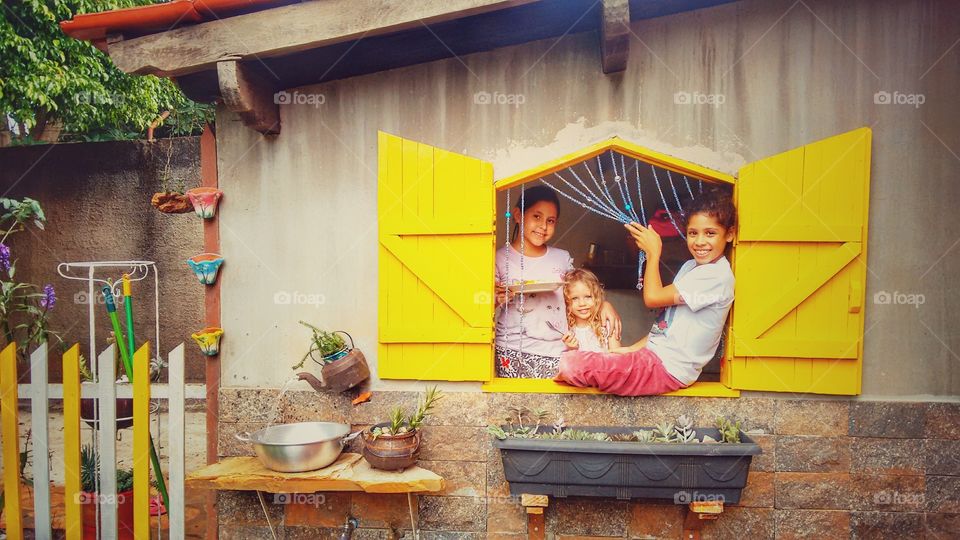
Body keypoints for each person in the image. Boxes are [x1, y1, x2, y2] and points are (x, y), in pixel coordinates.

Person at [555, 188, 736, 395]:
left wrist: (653, 253)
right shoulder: (691, 267)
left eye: (710, 233)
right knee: (590, 360)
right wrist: (630, 350)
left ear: (729, 234)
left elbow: (653, 298)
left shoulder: (716, 276)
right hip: (653, 359)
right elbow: (665, 327)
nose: (700, 241)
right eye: (693, 233)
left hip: (666, 369)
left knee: (571, 363)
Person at [495, 185, 621, 378]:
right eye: (536, 216)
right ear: (518, 215)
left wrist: (604, 304)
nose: (543, 226)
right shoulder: (499, 258)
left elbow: (578, 291)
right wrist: (496, 298)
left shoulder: (562, 258)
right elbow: (481, 305)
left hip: (559, 349)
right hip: (512, 349)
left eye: (550, 220)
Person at [560, 268, 621, 353]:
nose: (582, 303)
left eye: (588, 297)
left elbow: (617, 356)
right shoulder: (566, 328)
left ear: (597, 297)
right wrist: (572, 349)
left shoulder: (606, 325)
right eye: (574, 298)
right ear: (566, 301)